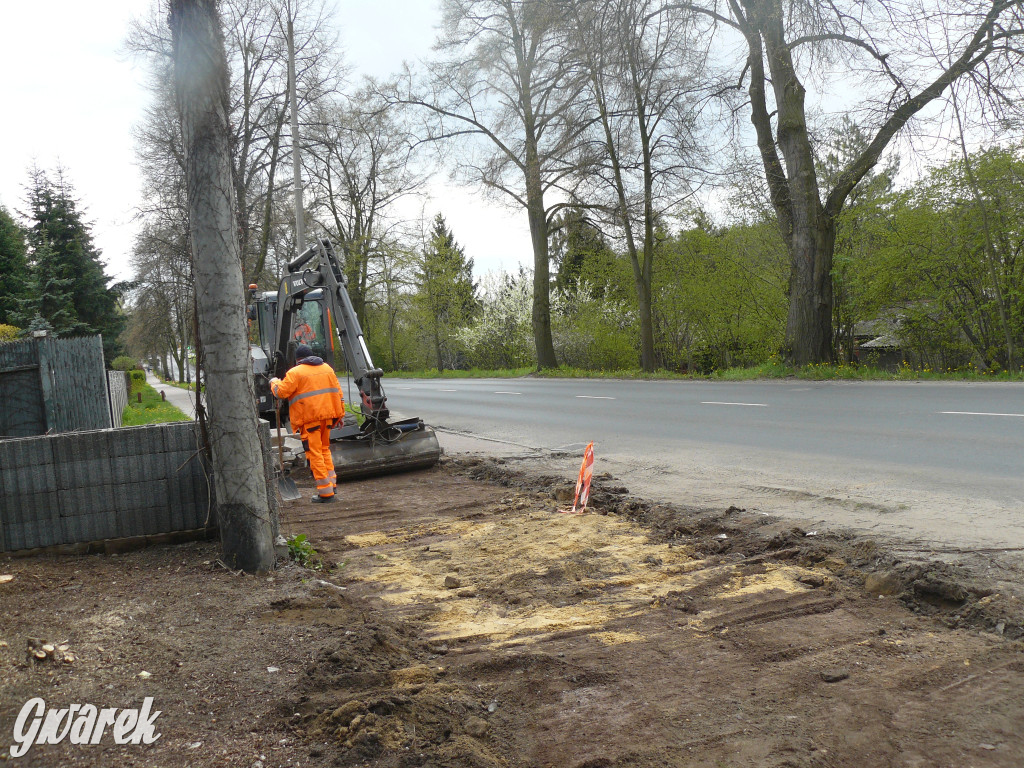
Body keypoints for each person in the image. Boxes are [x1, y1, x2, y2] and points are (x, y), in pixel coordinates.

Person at [269, 344, 344, 503]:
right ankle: (332, 485)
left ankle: (325, 493)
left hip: (310, 420)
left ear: (298, 360)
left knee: (315, 453)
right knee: (324, 450)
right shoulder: (327, 369)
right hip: (328, 418)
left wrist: (273, 382)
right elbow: (338, 393)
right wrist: (340, 415)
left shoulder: (295, 372)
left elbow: (281, 392)